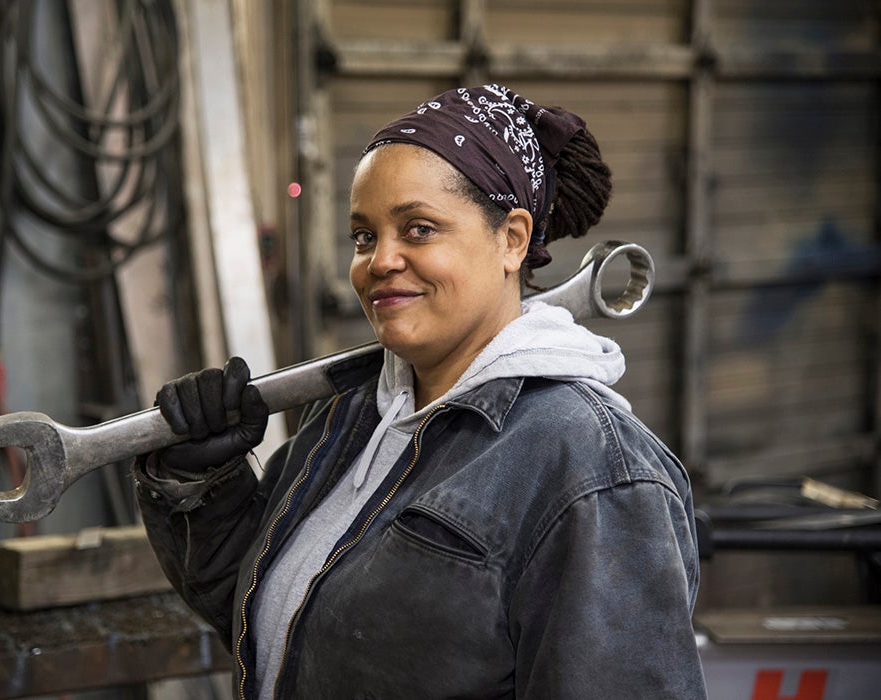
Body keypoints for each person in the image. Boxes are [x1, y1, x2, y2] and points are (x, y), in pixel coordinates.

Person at [134, 84, 706, 699]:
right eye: (363, 235)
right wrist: (203, 484)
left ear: (512, 239)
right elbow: (279, 626)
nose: (380, 260)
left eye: (419, 229)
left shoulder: (589, 471)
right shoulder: (349, 418)